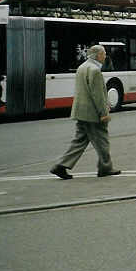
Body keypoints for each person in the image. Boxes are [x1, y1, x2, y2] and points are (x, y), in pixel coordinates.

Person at [50, 45, 120, 179]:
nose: (105, 56)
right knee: (102, 140)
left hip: (80, 111)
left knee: (79, 141)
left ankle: (60, 166)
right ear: (98, 55)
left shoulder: (82, 67)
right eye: (104, 54)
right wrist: (104, 113)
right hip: (92, 113)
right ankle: (105, 167)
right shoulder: (95, 71)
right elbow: (98, 94)